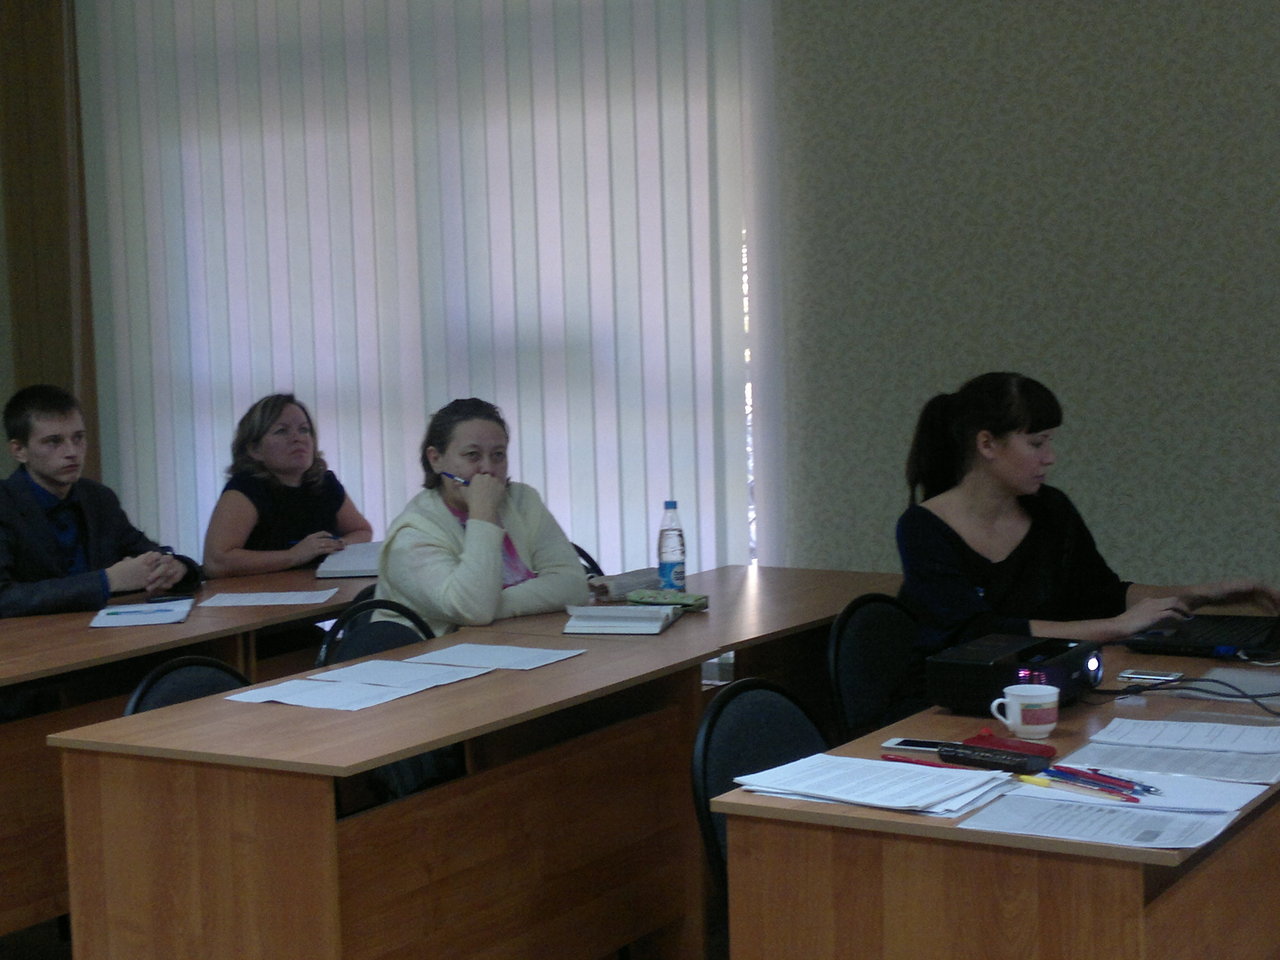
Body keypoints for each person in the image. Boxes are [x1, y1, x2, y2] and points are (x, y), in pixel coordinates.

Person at [897, 371, 1280, 653]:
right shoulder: (924, 528)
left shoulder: (1051, 509)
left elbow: (1102, 596)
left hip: (1044, 688)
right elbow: (974, 634)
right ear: (987, 444)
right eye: (1037, 443)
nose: (1050, 457)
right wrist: (1115, 628)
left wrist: (1202, 595)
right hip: (951, 704)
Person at [377, 397, 589, 637]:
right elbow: (473, 608)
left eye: (498, 455)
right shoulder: (412, 533)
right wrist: (483, 514)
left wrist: (494, 605)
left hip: (523, 640)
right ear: (436, 459)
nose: (488, 468)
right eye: (472, 455)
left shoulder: (522, 500)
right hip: (435, 654)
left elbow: (573, 585)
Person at [0, 384, 200, 618]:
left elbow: (147, 553)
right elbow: (5, 598)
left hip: (102, 631)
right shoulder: (5, 504)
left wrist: (175, 567)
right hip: (32, 638)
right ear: (19, 450)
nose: (72, 451)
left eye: (78, 438)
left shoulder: (98, 498)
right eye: (54, 441)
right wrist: (107, 581)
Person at [202, 393, 373, 577]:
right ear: (255, 449)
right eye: (282, 431)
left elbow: (361, 531)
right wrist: (294, 556)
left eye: (304, 430)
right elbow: (216, 562)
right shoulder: (246, 488)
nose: (297, 438)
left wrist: (336, 546)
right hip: (259, 591)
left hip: (318, 586)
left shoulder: (324, 483)